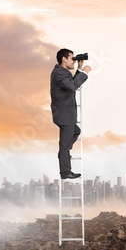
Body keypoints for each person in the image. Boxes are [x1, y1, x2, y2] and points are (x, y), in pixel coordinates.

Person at [50, 48, 91, 179]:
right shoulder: (60, 73)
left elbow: (70, 84)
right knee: (64, 145)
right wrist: (84, 73)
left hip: (67, 115)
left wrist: (78, 69)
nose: (73, 61)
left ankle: (64, 153)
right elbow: (73, 86)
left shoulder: (62, 72)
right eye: (71, 58)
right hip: (64, 115)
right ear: (64, 59)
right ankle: (65, 171)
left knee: (75, 132)